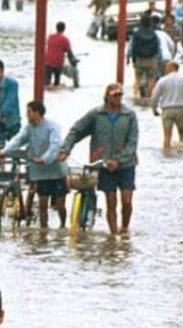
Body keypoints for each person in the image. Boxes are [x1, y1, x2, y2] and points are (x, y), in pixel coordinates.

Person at [56, 83, 139, 235]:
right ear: (107, 96)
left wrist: (119, 160)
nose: (118, 98)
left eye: (120, 95)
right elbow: (77, 130)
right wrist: (66, 149)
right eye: (114, 95)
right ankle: (114, 236)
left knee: (127, 201)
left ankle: (125, 228)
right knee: (111, 201)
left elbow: (132, 142)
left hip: (126, 164)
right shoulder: (96, 114)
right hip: (104, 165)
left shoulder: (129, 115)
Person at [0, 100, 68, 228]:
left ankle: (62, 225)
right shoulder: (29, 128)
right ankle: (43, 229)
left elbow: (55, 145)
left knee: (60, 205)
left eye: (29, 112)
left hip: (55, 170)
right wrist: (4, 151)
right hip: (40, 172)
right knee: (42, 204)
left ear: (37, 113)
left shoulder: (52, 127)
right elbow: (18, 140)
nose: (26, 115)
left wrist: (44, 159)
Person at [151, 60, 183, 150]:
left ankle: (166, 154)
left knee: (167, 136)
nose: (165, 70)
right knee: (182, 134)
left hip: (166, 110)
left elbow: (154, 97)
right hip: (180, 110)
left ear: (172, 68)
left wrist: (154, 109)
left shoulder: (162, 81)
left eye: (167, 68)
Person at [128, 13, 165, 99]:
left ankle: (135, 95)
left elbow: (132, 47)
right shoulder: (154, 34)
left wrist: (130, 58)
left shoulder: (136, 33)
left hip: (139, 59)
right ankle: (148, 96)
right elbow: (158, 48)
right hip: (151, 59)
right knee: (151, 78)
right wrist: (160, 60)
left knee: (137, 78)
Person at [43, 22, 77, 88]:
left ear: (56, 28)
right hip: (57, 62)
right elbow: (69, 53)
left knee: (46, 83)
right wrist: (73, 62)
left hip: (47, 61)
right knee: (57, 82)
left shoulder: (50, 37)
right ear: (64, 29)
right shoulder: (65, 39)